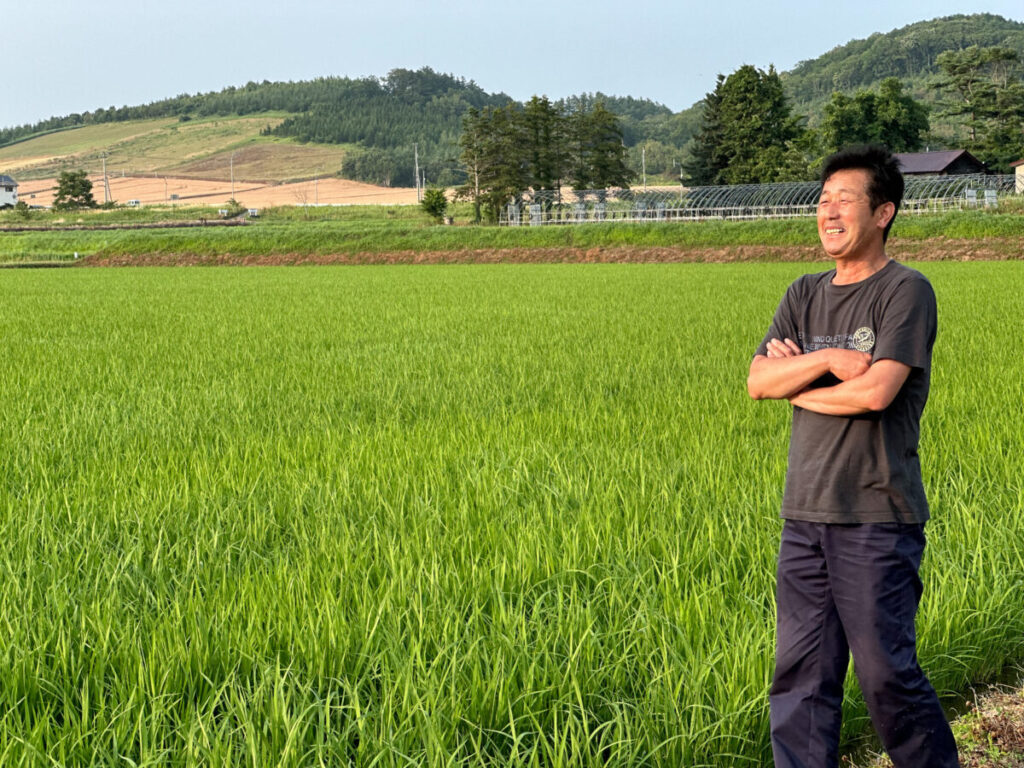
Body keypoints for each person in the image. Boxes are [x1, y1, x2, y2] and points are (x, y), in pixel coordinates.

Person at [747, 145, 959, 768]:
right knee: (801, 680)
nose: (828, 211)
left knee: (886, 678)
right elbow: (758, 381)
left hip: (875, 516)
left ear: (884, 212)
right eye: (822, 200)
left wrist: (800, 383)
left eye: (845, 199)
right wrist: (828, 363)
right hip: (805, 514)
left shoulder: (905, 291)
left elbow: (876, 392)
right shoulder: (803, 293)